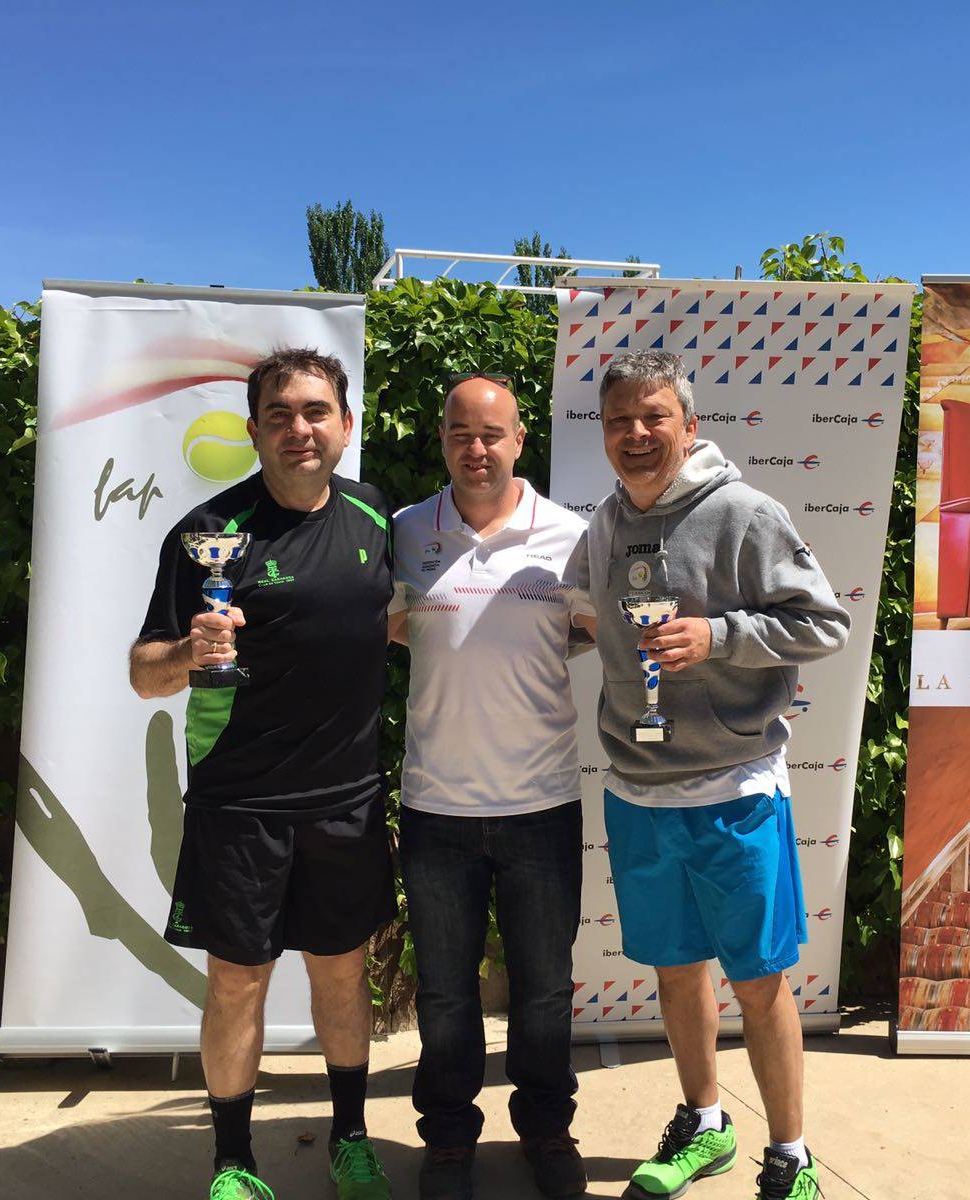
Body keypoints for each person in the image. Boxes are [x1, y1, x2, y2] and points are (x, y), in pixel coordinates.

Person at [578, 350, 850, 1200]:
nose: (635, 433)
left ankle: (792, 1155)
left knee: (759, 982)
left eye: (652, 416)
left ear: (689, 426)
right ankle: (705, 1123)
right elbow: (580, 621)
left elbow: (826, 624)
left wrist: (719, 636)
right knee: (675, 969)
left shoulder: (744, 513)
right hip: (637, 790)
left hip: (734, 791)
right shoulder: (605, 525)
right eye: (618, 420)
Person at [130, 349, 395, 1200]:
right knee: (237, 983)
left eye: (316, 412)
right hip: (239, 805)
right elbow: (143, 674)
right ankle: (234, 1163)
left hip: (347, 800)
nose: (298, 429)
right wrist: (187, 651)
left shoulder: (375, 515)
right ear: (253, 430)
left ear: (345, 425)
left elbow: (395, 620)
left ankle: (351, 1138)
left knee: (341, 973)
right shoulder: (208, 531)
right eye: (279, 415)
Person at [388, 372, 595, 1200]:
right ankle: (447, 1140)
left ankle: (546, 1128)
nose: (476, 449)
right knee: (444, 995)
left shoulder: (571, 534)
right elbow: (391, 627)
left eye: (491, 434)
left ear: (519, 441)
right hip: (435, 807)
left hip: (541, 804)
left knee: (544, 993)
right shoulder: (407, 529)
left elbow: (592, 632)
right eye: (460, 433)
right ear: (443, 439)